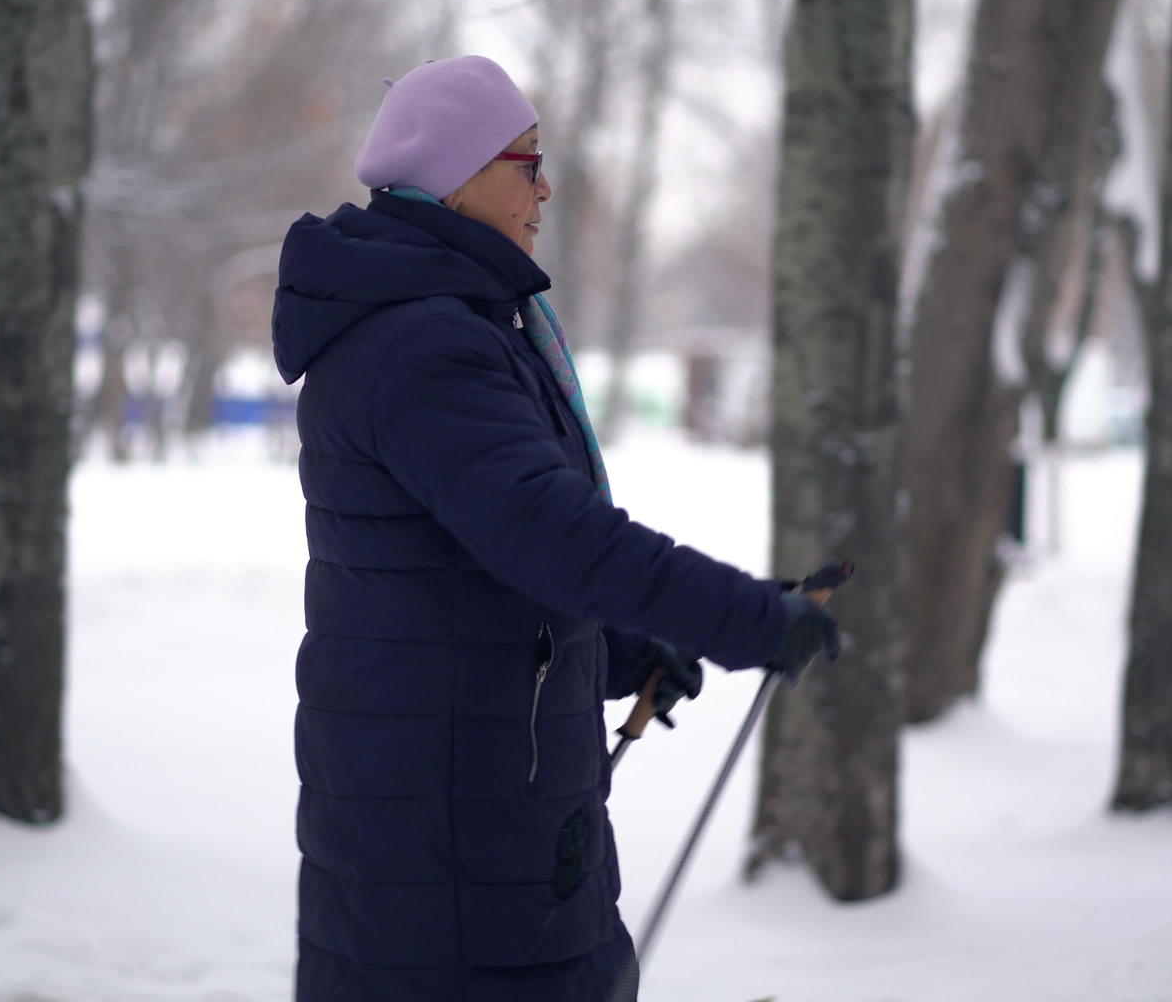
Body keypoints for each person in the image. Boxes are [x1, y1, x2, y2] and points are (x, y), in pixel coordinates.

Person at [272, 55, 842, 1002]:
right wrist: (745, 619)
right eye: (524, 162)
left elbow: (484, 553)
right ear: (455, 176)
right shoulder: (424, 346)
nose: (546, 186)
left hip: (482, 802)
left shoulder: (467, 325)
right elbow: (554, 533)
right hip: (448, 841)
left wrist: (623, 645)